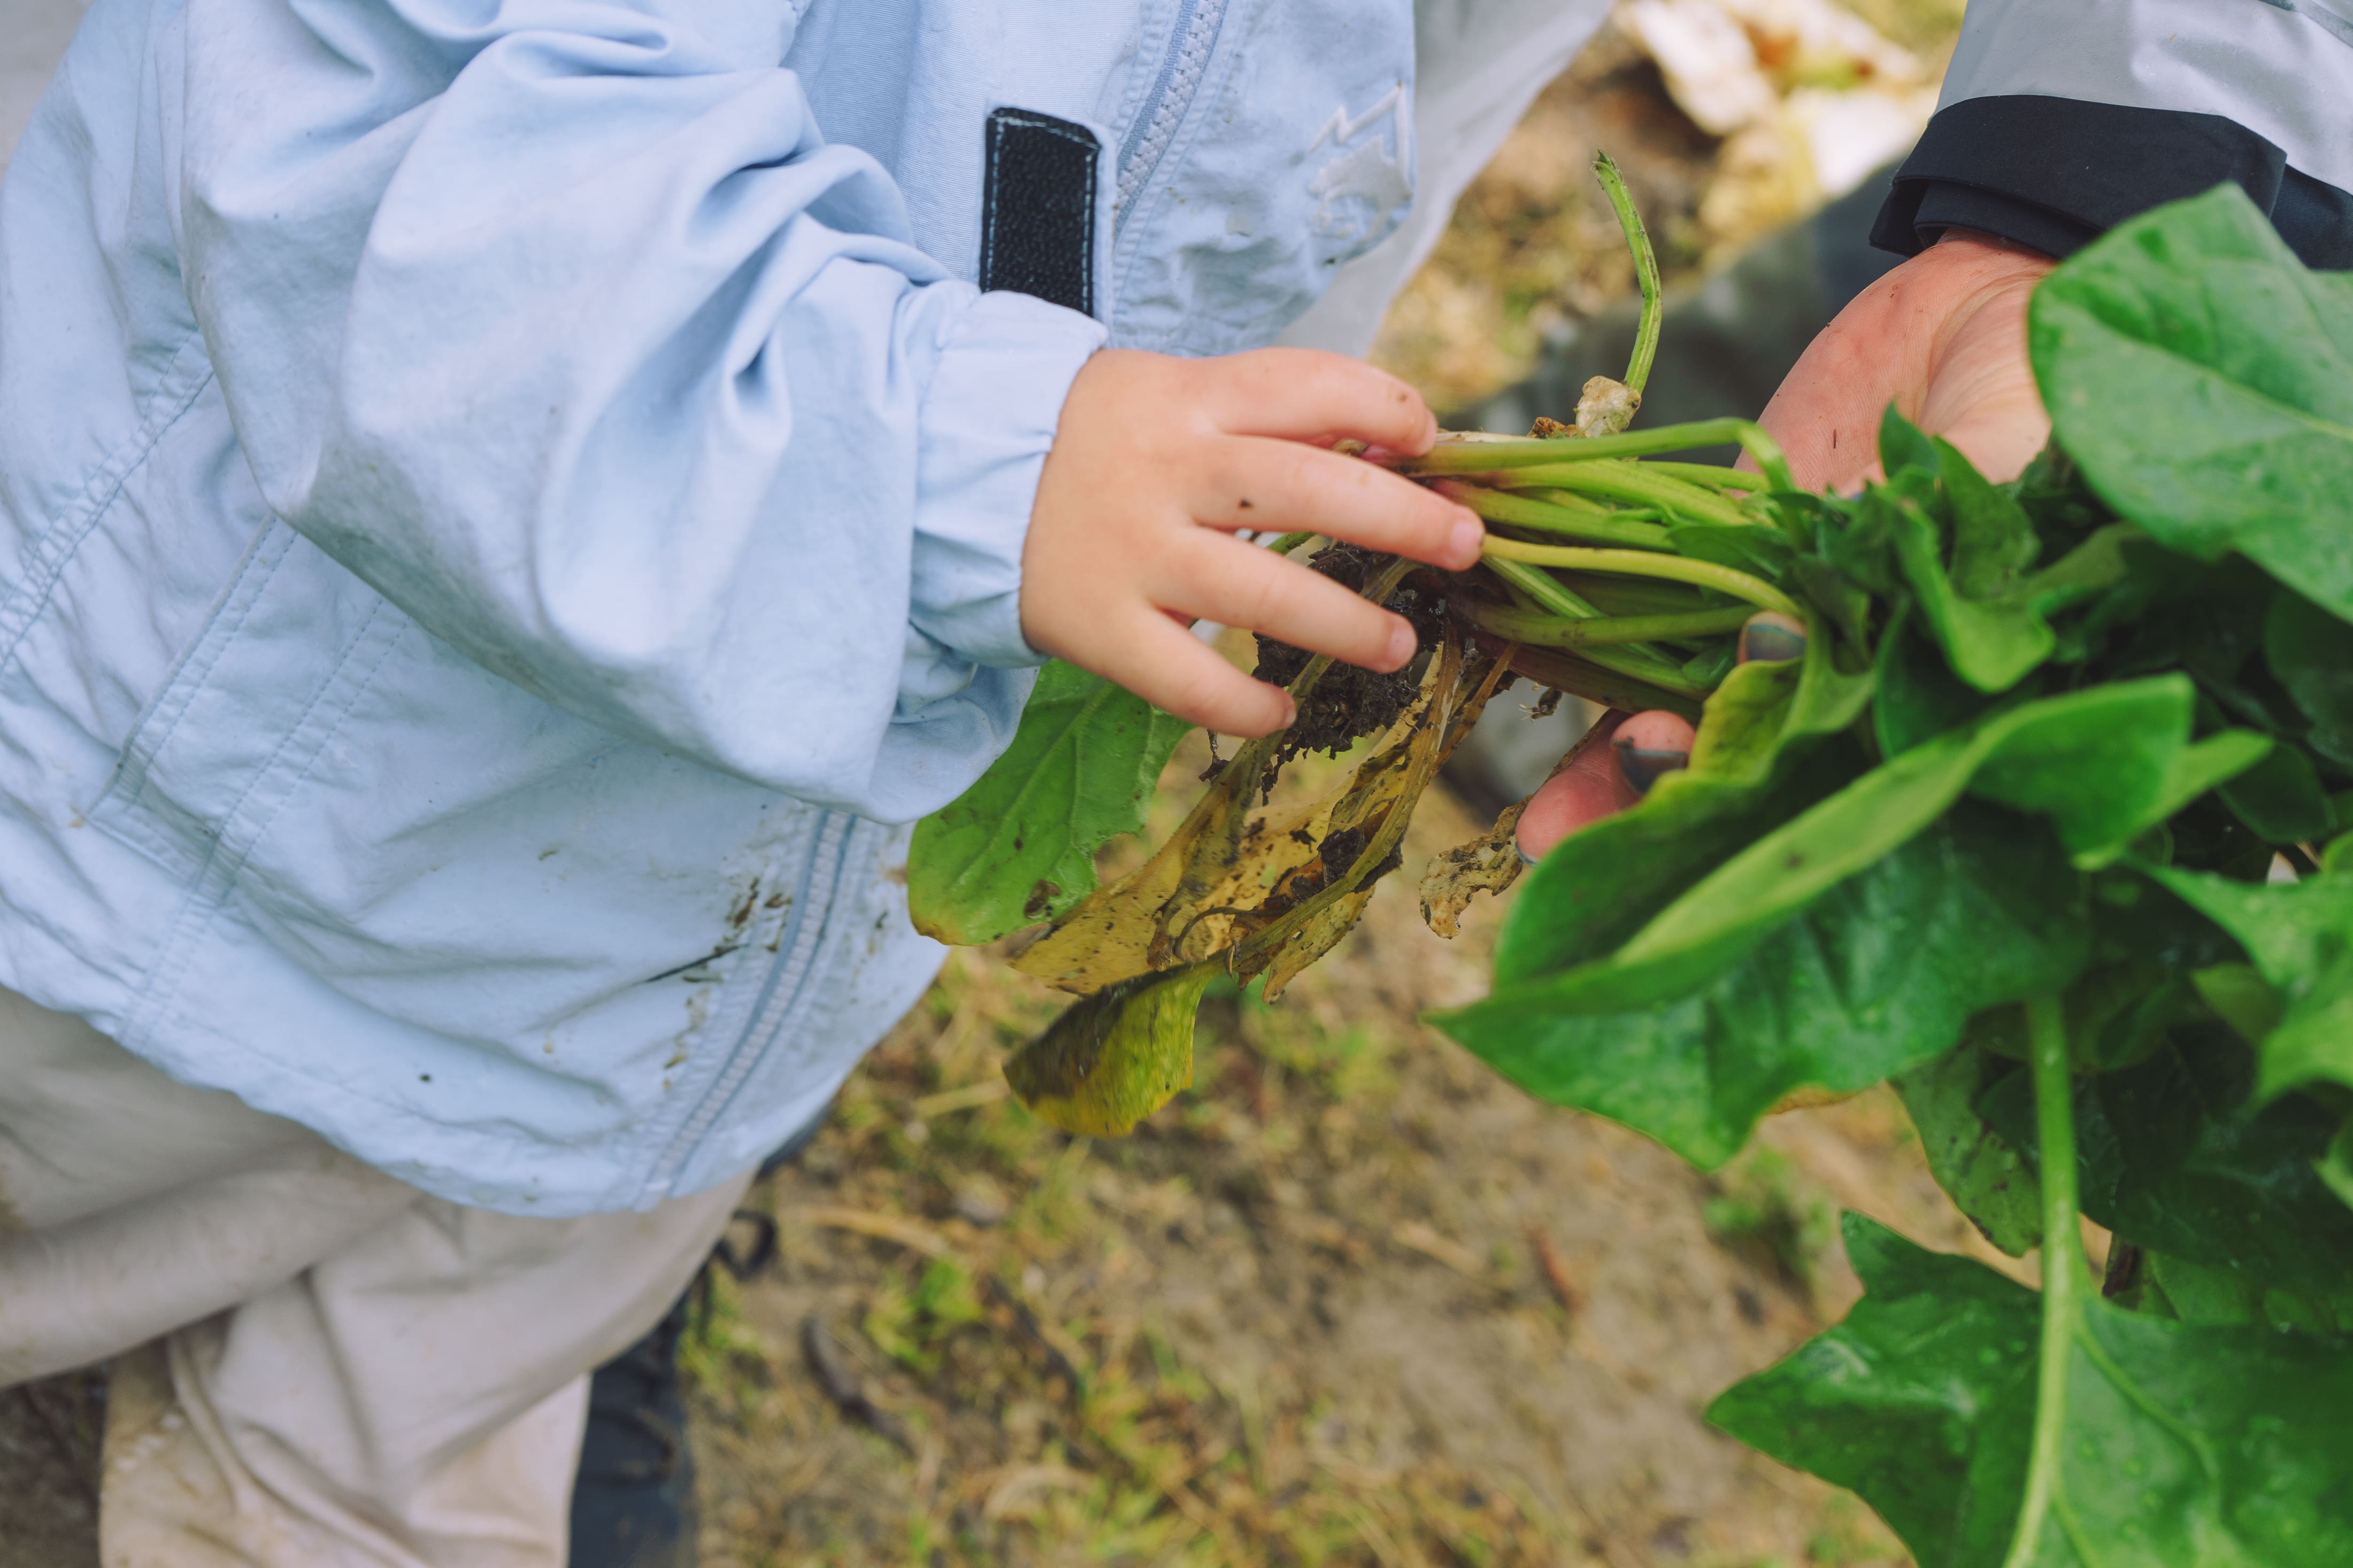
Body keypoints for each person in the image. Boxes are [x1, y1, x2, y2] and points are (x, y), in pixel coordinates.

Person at [0, 3, 2341, 1566]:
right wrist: (978, 467)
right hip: (169, 800)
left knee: (467, 1357)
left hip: (732, 919)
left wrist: (2099, 181)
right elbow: (385, 139)